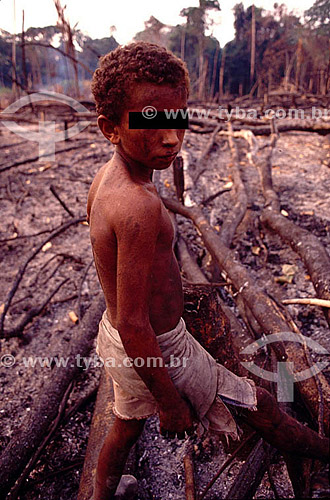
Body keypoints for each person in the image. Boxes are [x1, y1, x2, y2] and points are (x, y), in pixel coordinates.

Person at [88, 42, 329, 500]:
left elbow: (119, 295)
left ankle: (100, 493)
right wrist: (171, 402)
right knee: (260, 406)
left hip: (117, 340)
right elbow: (136, 321)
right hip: (156, 347)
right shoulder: (137, 204)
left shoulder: (109, 180)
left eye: (178, 117)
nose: (171, 137)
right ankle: (324, 451)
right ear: (110, 128)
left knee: (124, 426)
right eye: (150, 120)